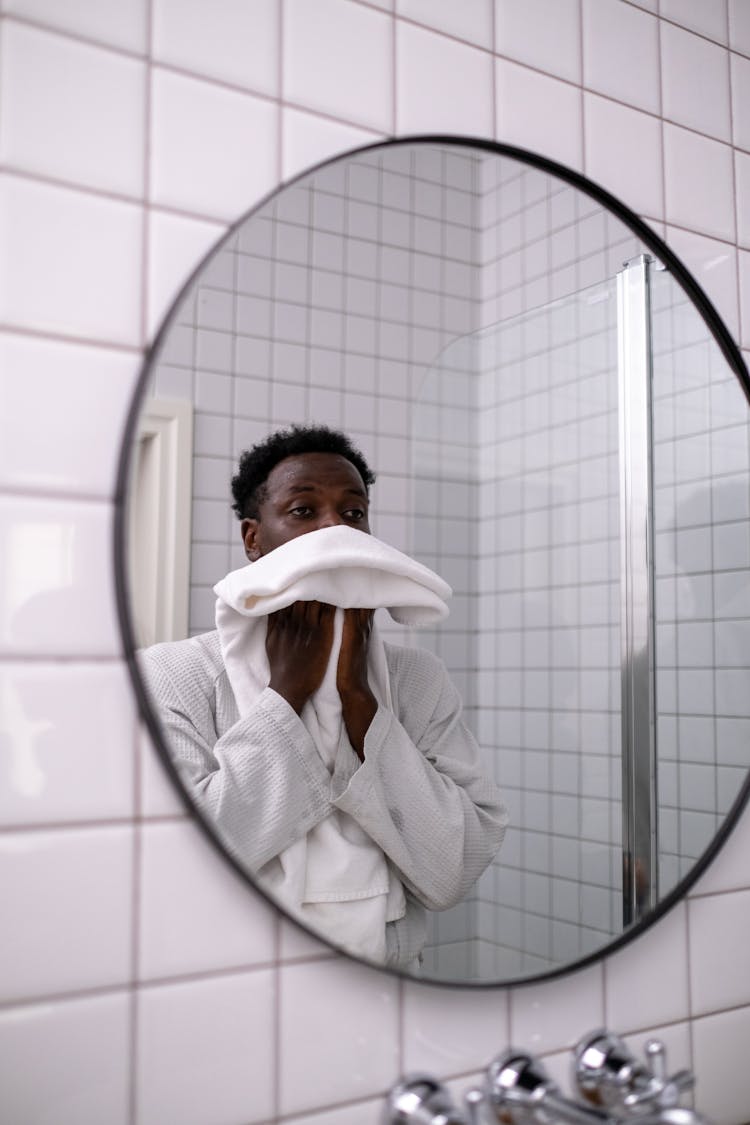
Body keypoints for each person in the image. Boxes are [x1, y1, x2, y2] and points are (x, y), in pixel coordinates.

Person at [140, 424, 507, 968]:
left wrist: (360, 701)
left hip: (386, 979)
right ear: (252, 538)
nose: (335, 530)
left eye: (353, 513)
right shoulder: (176, 674)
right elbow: (183, 864)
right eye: (304, 511)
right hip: (230, 985)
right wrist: (287, 694)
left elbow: (453, 867)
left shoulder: (418, 679)